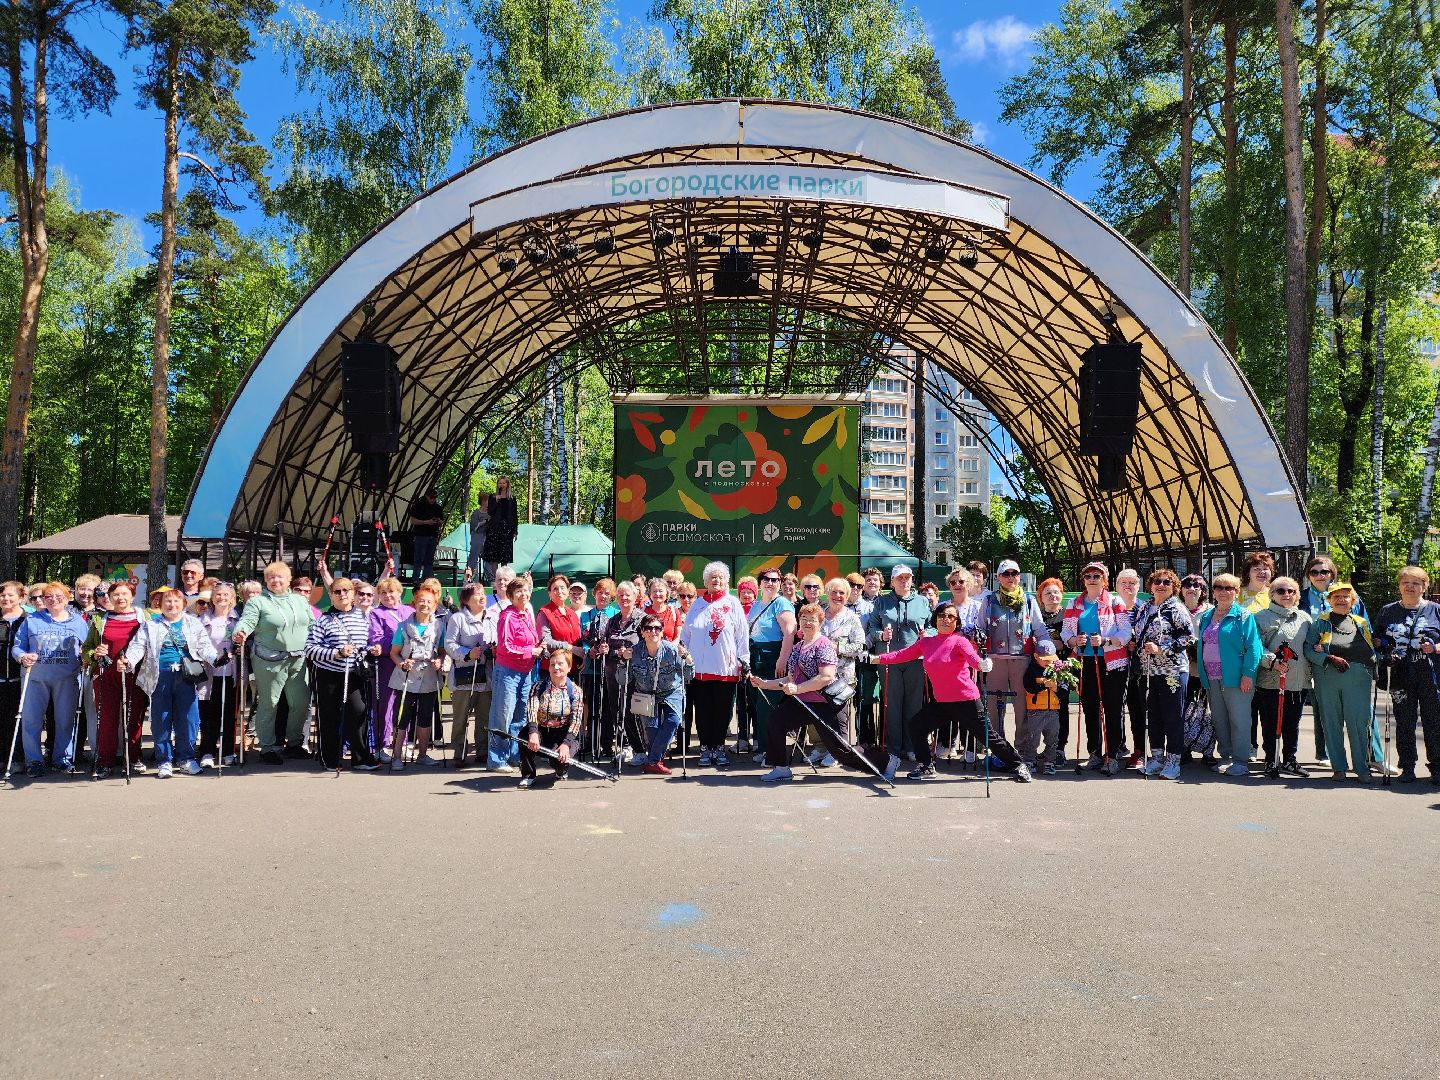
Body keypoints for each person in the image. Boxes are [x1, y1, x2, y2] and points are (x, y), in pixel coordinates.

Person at [870, 600, 1030, 781]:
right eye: (941, 615)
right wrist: (875, 659)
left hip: (966, 701)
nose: (945, 619)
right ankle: (926, 766)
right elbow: (901, 655)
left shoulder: (960, 641)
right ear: (935, 619)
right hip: (942, 702)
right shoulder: (926, 642)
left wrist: (982, 664)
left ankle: (1018, 764)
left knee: (989, 737)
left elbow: (973, 660)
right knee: (916, 727)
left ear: (956, 622)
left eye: (951, 617)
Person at [753, 602, 900, 783]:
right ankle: (781, 768)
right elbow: (791, 679)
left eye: (812, 619)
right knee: (776, 721)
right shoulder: (798, 647)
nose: (807, 622)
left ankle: (887, 762)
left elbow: (826, 677)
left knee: (841, 751)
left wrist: (797, 689)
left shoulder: (823, 645)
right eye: (804, 618)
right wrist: (765, 684)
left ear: (820, 623)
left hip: (826, 704)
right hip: (803, 702)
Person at [120, 586, 218, 778]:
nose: (172, 605)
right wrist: (128, 660)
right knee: (161, 719)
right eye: (167, 601)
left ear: (183, 604)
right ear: (161, 604)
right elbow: (138, 646)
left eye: (176, 601)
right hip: (160, 676)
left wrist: (217, 659)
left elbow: (205, 647)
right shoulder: (150, 625)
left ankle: (186, 759)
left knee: (188, 718)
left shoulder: (193, 623)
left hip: (186, 676)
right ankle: (164, 760)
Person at [231, 562, 315, 765]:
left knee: (301, 703)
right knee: (269, 703)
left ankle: (294, 744)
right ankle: (267, 748)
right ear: (266, 581)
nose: (275, 580)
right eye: (271, 577)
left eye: (280, 577)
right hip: (268, 660)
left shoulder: (299, 600)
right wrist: (240, 632)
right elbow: (247, 621)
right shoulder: (257, 602)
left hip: (299, 658)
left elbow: (312, 624)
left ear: (289, 579)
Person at [1060, 562, 1131, 775]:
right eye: (1088, 576)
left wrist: (1106, 641)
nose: (1092, 579)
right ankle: (1094, 754)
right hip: (1085, 661)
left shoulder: (1115, 601)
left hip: (1112, 662)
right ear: (1083, 580)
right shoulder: (1074, 603)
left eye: (1096, 576)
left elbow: (1126, 631)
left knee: (1112, 709)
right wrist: (1074, 640)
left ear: (1104, 580)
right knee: (1090, 709)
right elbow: (1065, 632)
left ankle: (1113, 755)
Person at [305, 577, 382, 771]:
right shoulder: (323, 619)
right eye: (337, 591)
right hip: (329, 675)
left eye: (346, 590)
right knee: (329, 717)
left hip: (355, 674)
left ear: (353, 593)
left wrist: (373, 649)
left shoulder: (364, 617)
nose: (342, 594)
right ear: (331, 596)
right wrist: (336, 653)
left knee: (358, 713)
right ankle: (330, 759)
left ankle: (361, 758)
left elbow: (366, 644)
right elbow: (310, 649)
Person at [12, 582, 89, 776]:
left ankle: (62, 759)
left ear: (67, 598)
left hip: (67, 678)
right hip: (35, 678)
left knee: (65, 720)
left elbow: (88, 646)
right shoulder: (32, 620)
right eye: (48, 596)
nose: (53, 599)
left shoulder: (78, 621)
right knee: (31, 721)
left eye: (58, 596)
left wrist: (86, 654)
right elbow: (17, 647)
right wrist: (22, 657)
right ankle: (34, 761)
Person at [1373, 566, 1440, 784]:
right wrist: (1383, 647)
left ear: (1424, 587)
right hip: (1400, 675)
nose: (1410, 587)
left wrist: (1435, 648)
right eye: (1405, 583)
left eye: (1416, 583)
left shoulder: (1436, 610)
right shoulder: (1387, 611)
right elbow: (1377, 639)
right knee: (1404, 722)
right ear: (1399, 586)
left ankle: (1437, 767)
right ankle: (1408, 766)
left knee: (1434, 721)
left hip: (1430, 675)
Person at [973, 558, 1052, 743]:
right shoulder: (989, 600)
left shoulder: (1029, 600)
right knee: (993, 705)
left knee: (1022, 705)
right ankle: (997, 747)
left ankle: (1022, 748)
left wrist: (1045, 644)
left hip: (1022, 659)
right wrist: (979, 637)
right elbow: (980, 627)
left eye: (1014, 573)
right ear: (998, 577)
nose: (1010, 577)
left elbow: (1039, 629)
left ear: (1019, 576)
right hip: (994, 660)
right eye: (1005, 574)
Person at [1306, 581, 1377, 782]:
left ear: (1352, 601)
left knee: (1359, 723)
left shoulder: (1361, 623)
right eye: (1336, 596)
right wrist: (1327, 657)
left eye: (1345, 596)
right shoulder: (1320, 622)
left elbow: (1371, 648)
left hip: (1359, 677)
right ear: (1329, 600)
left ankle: (1362, 768)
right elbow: (1308, 649)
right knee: (1331, 721)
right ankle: (1338, 768)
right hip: (1327, 675)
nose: (1341, 600)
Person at [680, 562, 748, 767]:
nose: (716, 580)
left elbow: (742, 635)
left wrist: (744, 660)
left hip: (725, 667)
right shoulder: (697, 605)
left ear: (726, 581)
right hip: (699, 669)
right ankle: (704, 748)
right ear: (705, 581)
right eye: (712, 577)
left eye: (720, 577)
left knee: (723, 710)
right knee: (702, 711)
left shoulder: (733, 603)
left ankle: (718, 747)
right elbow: (686, 634)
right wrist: (684, 656)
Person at [1195, 573, 1262, 778]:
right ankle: (1226, 757)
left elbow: (1254, 647)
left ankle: (1240, 761)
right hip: (1211, 677)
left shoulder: (1244, 616)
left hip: (1236, 678)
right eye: (1219, 587)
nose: (1223, 592)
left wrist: (1248, 674)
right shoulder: (1207, 616)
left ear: (1236, 591)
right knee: (1220, 720)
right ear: (1213, 591)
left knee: (1239, 721)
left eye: (1229, 588)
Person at [1132, 569, 1196, 780]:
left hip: (1172, 671)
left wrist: (1162, 649)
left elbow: (1188, 637)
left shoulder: (1176, 608)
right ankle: (1157, 758)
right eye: (1157, 581)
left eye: (1166, 582)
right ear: (1150, 586)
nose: (1161, 585)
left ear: (1173, 587)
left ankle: (1174, 761)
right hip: (1148, 672)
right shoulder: (1144, 607)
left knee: (1173, 716)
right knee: (1153, 716)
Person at [80, 580, 147, 778]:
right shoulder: (100, 619)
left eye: (125, 594)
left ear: (133, 596)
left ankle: (133, 758)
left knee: (133, 719)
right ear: (109, 597)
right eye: (116, 594)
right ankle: (105, 761)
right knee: (107, 720)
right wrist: (95, 653)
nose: (120, 598)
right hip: (106, 676)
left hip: (135, 676)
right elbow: (86, 649)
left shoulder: (144, 618)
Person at [868, 564, 932, 760]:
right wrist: (880, 635)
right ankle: (893, 749)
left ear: (912, 580)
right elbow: (872, 627)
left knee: (914, 704)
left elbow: (932, 626)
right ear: (892, 581)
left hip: (915, 658)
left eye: (907, 578)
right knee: (892, 705)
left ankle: (911, 746)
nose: (904, 581)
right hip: (889, 659)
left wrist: (928, 634)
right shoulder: (881, 601)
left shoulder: (922, 601)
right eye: (899, 578)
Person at [1253, 575, 1312, 778]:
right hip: (1271, 680)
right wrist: (1272, 661)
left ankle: (1289, 760)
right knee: (1270, 722)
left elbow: (1310, 646)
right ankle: (1271, 759)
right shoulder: (1260, 617)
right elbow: (1255, 646)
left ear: (1297, 595)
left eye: (1291, 591)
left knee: (1292, 723)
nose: (1286, 594)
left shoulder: (1305, 618)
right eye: (1280, 591)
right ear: (1272, 594)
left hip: (1298, 681)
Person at [489, 577, 545, 773]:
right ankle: (497, 760)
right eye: (518, 591)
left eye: (526, 590)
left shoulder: (527, 614)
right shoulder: (507, 616)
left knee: (521, 717)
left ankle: (514, 755)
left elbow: (530, 640)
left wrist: (539, 647)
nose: (523, 594)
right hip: (507, 672)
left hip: (525, 672)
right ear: (511, 596)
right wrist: (531, 651)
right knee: (502, 716)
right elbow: (505, 646)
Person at [387, 583, 445, 770]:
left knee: (426, 717)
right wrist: (402, 664)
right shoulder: (403, 626)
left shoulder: (439, 626)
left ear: (434, 605)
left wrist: (439, 661)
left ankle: (422, 754)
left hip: (429, 677)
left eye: (429, 602)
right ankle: (397, 756)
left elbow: (442, 651)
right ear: (414, 603)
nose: (424, 605)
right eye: (421, 601)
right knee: (402, 717)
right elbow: (394, 653)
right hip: (406, 678)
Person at [627, 614, 689, 775]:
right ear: (642, 632)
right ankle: (655, 761)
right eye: (648, 628)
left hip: (671, 692)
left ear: (662, 631)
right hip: (646, 694)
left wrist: (687, 658)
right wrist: (622, 661)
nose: (653, 631)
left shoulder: (672, 650)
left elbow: (688, 675)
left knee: (673, 721)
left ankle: (653, 761)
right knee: (652, 729)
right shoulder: (634, 652)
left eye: (657, 628)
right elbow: (623, 680)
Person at [746, 568, 796, 759]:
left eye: (775, 580)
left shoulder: (781, 603)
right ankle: (763, 747)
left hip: (772, 657)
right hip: (755, 656)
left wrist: (782, 659)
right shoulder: (756, 605)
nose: (770, 583)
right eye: (766, 579)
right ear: (760, 583)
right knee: (758, 704)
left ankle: (770, 751)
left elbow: (790, 632)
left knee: (768, 705)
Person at [815, 577, 864, 766]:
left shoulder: (852, 618)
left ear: (847, 595)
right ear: (827, 593)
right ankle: (823, 749)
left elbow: (859, 646)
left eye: (842, 593)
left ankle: (839, 753)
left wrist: (838, 647)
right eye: (834, 592)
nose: (837, 596)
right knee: (819, 716)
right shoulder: (819, 614)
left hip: (842, 678)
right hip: (818, 675)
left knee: (839, 718)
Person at [520, 648, 585, 789]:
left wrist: (566, 744)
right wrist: (533, 732)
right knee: (524, 736)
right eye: (552, 664)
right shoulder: (538, 687)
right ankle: (528, 774)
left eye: (560, 664)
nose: (556, 667)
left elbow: (576, 720)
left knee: (559, 761)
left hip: (563, 734)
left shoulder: (576, 691)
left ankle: (561, 770)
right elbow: (532, 710)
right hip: (542, 730)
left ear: (569, 667)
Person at [595, 581, 646, 758]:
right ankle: (625, 745)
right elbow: (605, 643)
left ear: (635, 597)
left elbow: (648, 646)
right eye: (621, 595)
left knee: (633, 711)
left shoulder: (642, 620)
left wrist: (630, 652)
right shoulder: (613, 620)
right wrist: (604, 649)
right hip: (613, 674)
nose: (624, 598)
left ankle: (639, 748)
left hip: (634, 675)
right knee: (617, 709)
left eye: (628, 595)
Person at [445, 582, 493, 768]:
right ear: (466, 600)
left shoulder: (491, 617)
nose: (482, 596)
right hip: (464, 676)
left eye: (483, 593)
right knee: (461, 718)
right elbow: (449, 644)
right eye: (477, 594)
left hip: (487, 675)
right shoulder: (457, 618)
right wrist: (467, 653)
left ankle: (483, 751)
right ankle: (459, 752)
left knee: (484, 717)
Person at [366, 577, 413, 763]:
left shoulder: (410, 611)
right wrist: (401, 645)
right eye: (383, 593)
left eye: (391, 591)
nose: (387, 596)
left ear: (399, 592)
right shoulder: (376, 613)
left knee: (405, 704)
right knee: (385, 705)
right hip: (386, 664)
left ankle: (403, 743)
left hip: (409, 663)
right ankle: (382, 744)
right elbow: (377, 639)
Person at [196, 582, 240, 769]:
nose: (222, 598)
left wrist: (239, 648)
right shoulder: (203, 620)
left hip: (231, 673)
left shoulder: (237, 620)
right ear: (212, 598)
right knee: (208, 714)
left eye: (226, 595)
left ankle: (228, 750)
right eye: (218, 595)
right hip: (208, 674)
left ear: (232, 598)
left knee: (229, 714)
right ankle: (207, 751)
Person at [1036, 577, 1069, 764]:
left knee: (1060, 708)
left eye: (1056, 592)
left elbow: (1071, 640)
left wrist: (1061, 644)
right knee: (1040, 708)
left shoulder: (1067, 616)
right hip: (1039, 667)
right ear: (1041, 597)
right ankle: (1045, 746)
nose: (1052, 596)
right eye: (1048, 593)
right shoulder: (1037, 616)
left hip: (1061, 668)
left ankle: (1059, 748)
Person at [1020, 650, 1063, 774]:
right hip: (1036, 712)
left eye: (1051, 659)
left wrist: (1056, 688)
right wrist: (1044, 684)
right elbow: (1029, 687)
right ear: (1036, 656)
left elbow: (1064, 692)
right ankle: (1030, 761)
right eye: (1045, 659)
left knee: (1052, 739)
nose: (1048, 662)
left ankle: (1050, 762)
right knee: (1033, 738)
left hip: (1053, 711)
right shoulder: (1031, 670)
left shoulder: (1058, 671)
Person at [0, 582, 27, 773]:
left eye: (11, 595)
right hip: (1, 679)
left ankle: (17, 758)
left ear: (21, 598)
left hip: (21, 679)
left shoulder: (28, 620)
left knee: (18, 720)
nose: (6, 599)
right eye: (3, 595)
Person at [537, 575, 585, 663]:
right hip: (553, 667)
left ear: (568, 591)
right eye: (555, 589)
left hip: (573, 666)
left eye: (562, 588)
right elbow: (546, 642)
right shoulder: (544, 613)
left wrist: (584, 657)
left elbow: (578, 640)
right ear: (549, 593)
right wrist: (571, 648)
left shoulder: (572, 613)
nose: (559, 591)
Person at [481, 478, 519, 581]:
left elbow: (514, 516)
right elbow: (490, 512)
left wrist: (515, 531)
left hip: (507, 529)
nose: (501, 484)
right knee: (494, 556)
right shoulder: (492, 497)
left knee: (504, 556)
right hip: (494, 528)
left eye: (504, 483)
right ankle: (495, 579)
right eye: (500, 483)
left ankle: (504, 578)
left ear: (507, 484)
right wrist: (496, 501)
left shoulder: (512, 498)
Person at [406, 488, 445, 584]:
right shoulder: (418, 506)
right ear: (426, 496)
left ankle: (426, 579)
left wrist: (438, 521)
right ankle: (415, 579)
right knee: (418, 559)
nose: (433, 499)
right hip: (421, 535)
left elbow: (441, 522)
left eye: (435, 497)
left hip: (433, 535)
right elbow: (413, 521)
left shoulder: (438, 508)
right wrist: (426, 522)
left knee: (429, 560)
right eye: (431, 497)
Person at [642, 577, 681, 641]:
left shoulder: (674, 611)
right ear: (650, 594)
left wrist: (671, 646)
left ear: (667, 593)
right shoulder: (643, 612)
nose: (657, 594)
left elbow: (677, 637)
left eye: (660, 591)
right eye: (654, 591)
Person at [466, 488, 491, 578]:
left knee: (489, 559)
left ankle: (490, 578)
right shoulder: (476, 513)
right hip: (477, 537)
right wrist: (484, 522)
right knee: (473, 559)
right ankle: (469, 578)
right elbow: (474, 528)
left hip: (488, 537)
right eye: (487, 500)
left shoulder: (491, 513)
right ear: (483, 501)